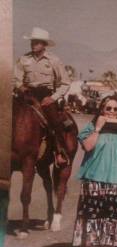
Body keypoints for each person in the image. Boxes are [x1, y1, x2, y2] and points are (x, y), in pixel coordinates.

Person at [72, 95, 117, 247]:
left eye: (116, 109)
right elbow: (87, 146)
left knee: (113, 221)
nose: (112, 112)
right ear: (102, 109)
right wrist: (98, 129)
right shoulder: (91, 126)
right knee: (94, 220)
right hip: (94, 181)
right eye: (108, 108)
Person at [14, 27, 72, 166]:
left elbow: (65, 83)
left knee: (54, 121)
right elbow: (15, 78)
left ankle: (60, 151)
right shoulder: (23, 59)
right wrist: (20, 87)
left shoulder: (54, 60)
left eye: (37, 42)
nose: (34, 44)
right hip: (26, 94)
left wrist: (53, 98)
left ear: (44, 44)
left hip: (45, 96)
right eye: (32, 41)